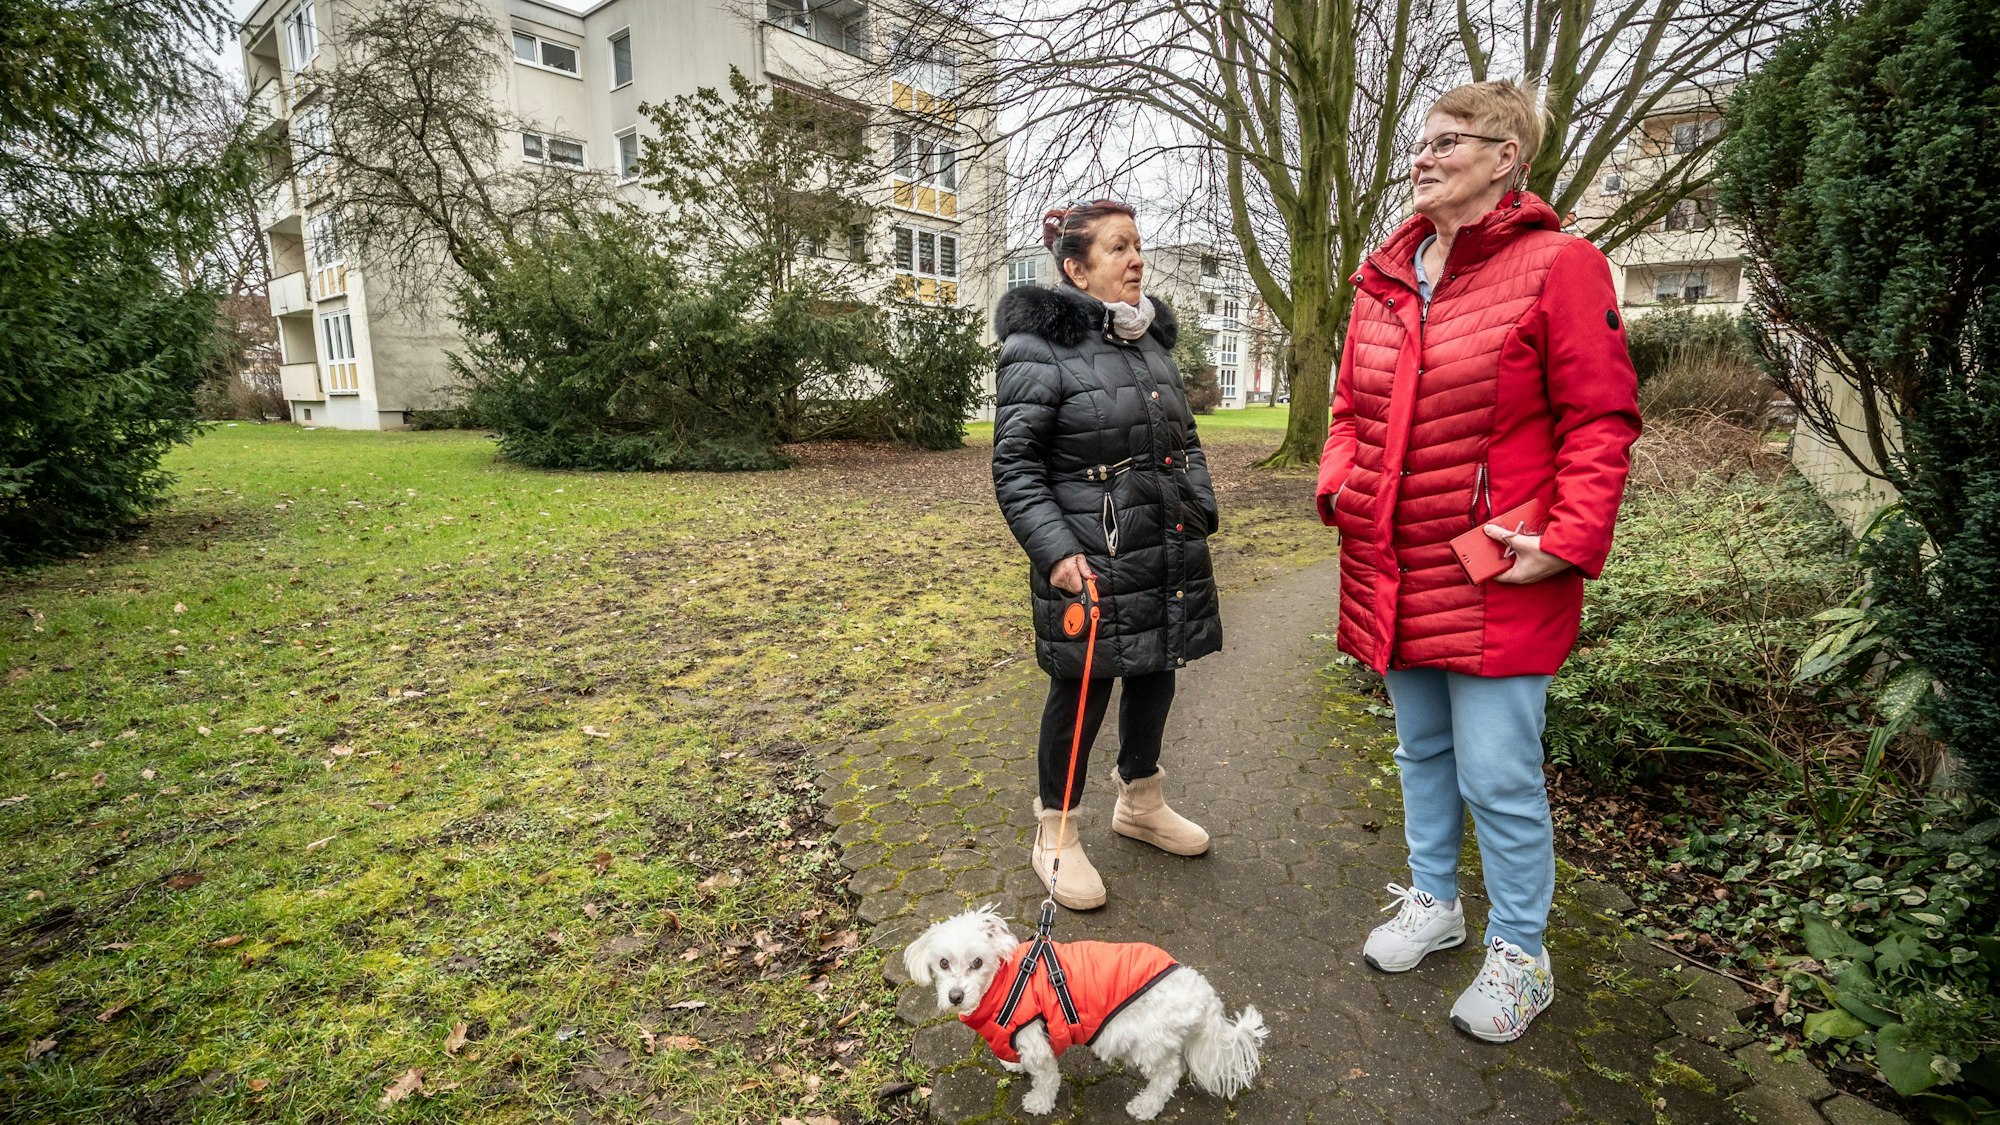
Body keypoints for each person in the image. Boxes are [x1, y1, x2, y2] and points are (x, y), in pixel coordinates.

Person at [1316, 81, 1642, 1041]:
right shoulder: (1384, 275)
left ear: (1507, 158)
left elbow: (1601, 416)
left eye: (1448, 140)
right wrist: (1342, 488)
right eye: (1418, 141)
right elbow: (1349, 410)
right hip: (1395, 563)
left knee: (1498, 772)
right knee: (1420, 749)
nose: (1422, 155)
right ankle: (1435, 900)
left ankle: (1522, 952)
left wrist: (1571, 539)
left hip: (1501, 570)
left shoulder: (1562, 265)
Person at [990, 198, 1223, 910]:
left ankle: (1141, 800)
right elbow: (1016, 468)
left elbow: (1185, 445)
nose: (1136, 260)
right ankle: (1055, 834)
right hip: (1088, 557)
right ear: (1075, 268)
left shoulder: (1148, 341)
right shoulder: (1037, 350)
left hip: (1164, 543)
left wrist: (1200, 507)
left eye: (1138, 246)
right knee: (1083, 688)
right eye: (1119, 248)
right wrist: (1059, 554)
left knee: (1157, 668)